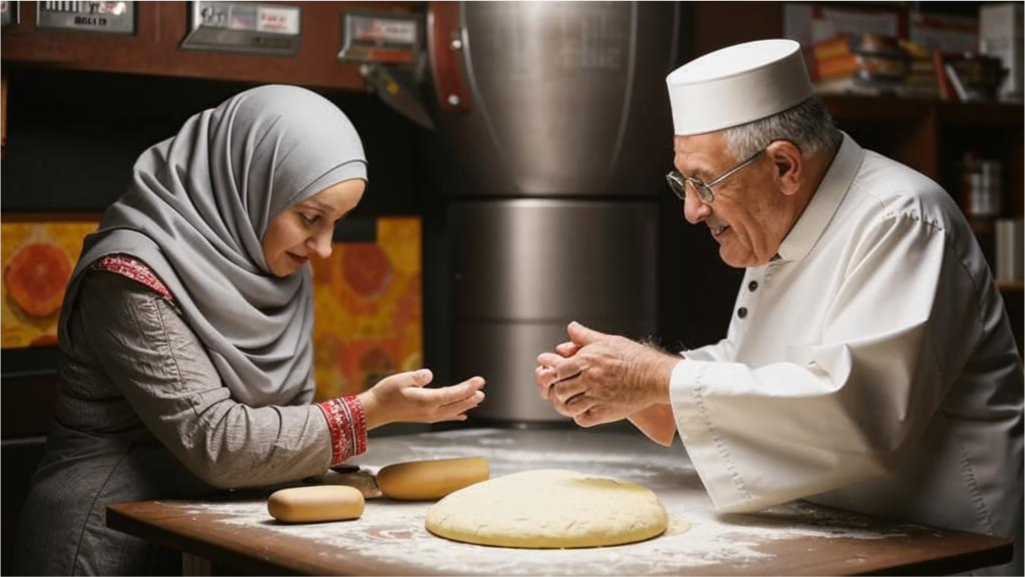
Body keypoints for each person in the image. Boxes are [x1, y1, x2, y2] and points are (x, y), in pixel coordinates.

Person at [535, 39, 1024, 576]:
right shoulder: (785, 214)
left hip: (948, 545)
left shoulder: (901, 220)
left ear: (785, 166)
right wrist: (641, 392)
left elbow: (859, 410)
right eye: (684, 183)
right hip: (848, 534)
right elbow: (763, 364)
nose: (693, 210)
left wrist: (662, 379)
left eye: (705, 183)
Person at [14, 85, 485, 577]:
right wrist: (369, 412)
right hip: (105, 544)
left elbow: (283, 416)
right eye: (310, 217)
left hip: (213, 530)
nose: (323, 248)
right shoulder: (128, 279)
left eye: (337, 223)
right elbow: (218, 444)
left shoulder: (277, 266)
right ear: (249, 184)